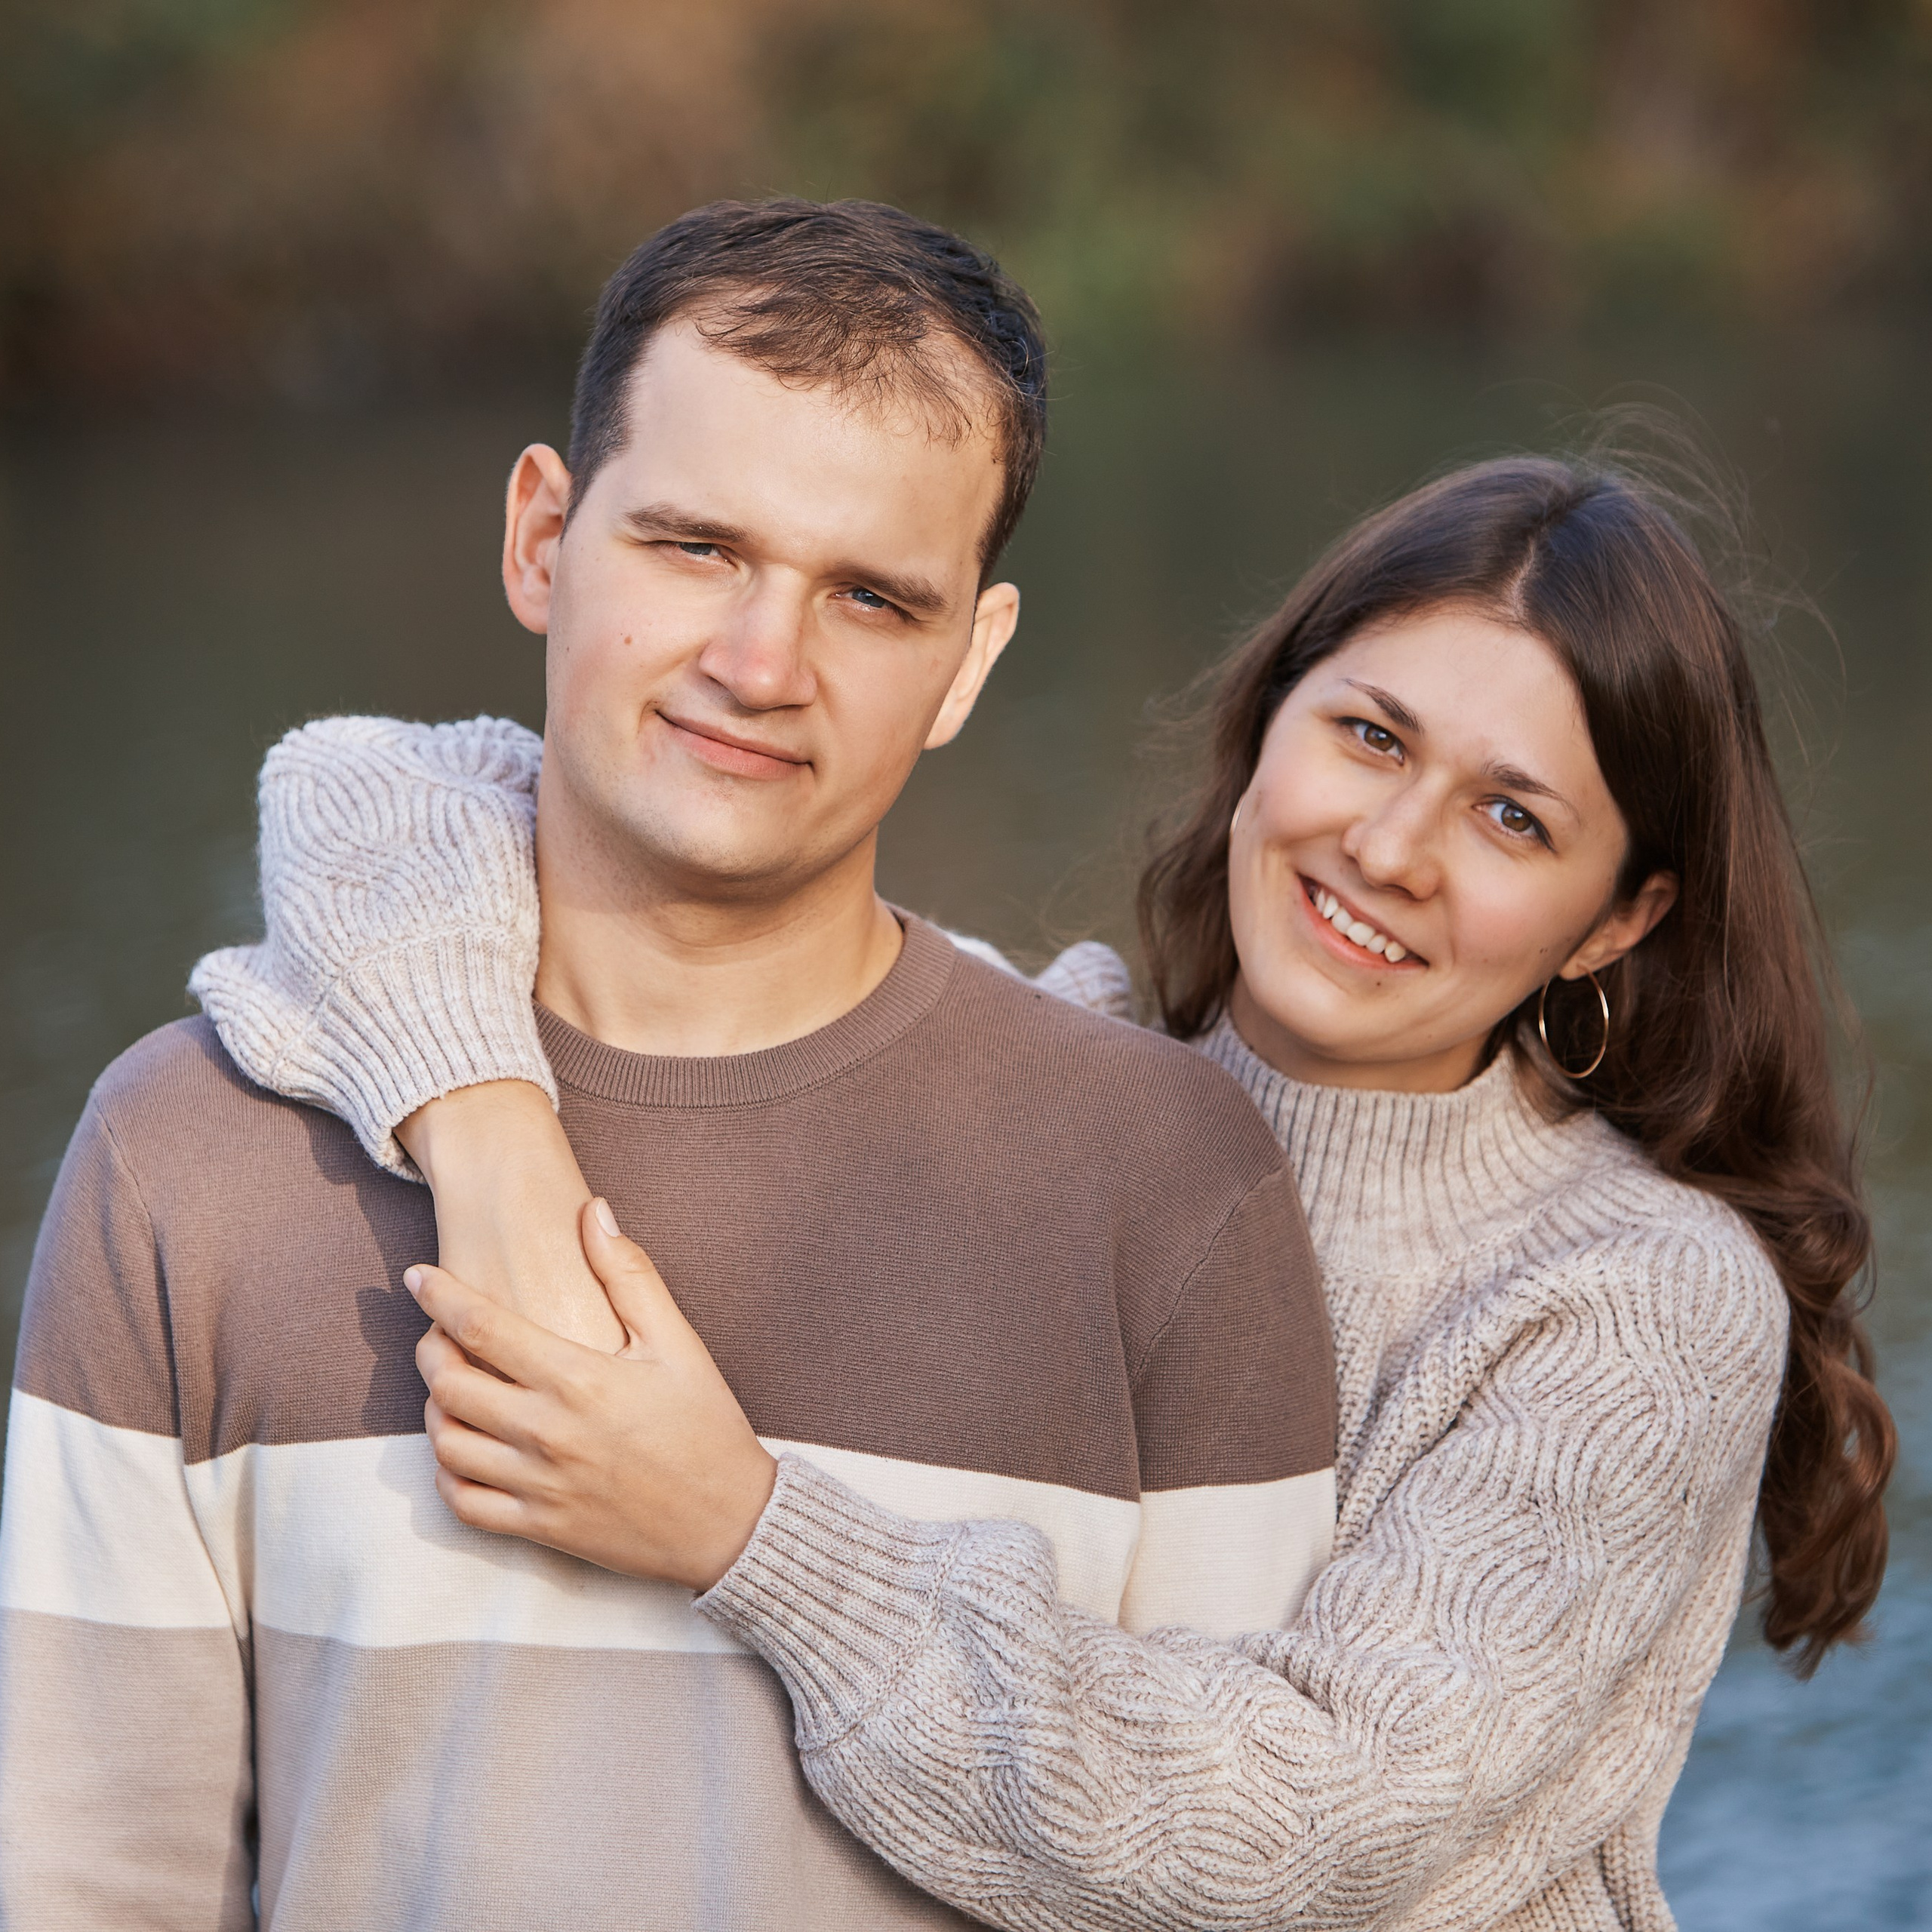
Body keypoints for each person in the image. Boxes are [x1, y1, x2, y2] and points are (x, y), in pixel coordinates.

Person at [202, 441, 1895, 1930]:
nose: (1390, 848)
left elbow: (1302, 1829)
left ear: (1615, 920)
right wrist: (491, 1145)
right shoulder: (1056, 1082)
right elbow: (366, 787)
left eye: (1512, 820)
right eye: (1369, 735)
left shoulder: (1637, 1296)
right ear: (1269, 720)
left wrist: (742, 1529)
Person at [0, 200, 1339, 1930]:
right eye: (695, 547)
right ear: (541, 537)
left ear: (968, 661)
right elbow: (86, 1883)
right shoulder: (188, 1157)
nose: (759, 664)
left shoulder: (1164, 1183)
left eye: (869, 596)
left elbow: (1254, 1879)